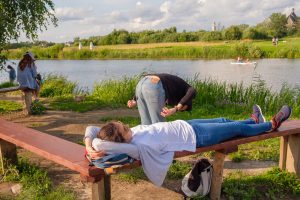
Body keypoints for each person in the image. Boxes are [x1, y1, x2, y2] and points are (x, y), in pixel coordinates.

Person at [84, 105, 292, 186]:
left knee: (223, 119)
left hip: (185, 125)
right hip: (195, 138)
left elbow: (92, 130)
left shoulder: (132, 135)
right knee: (237, 129)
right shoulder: (136, 147)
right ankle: (270, 125)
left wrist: (88, 145)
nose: (127, 125)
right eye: (123, 128)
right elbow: (106, 144)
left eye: (122, 124)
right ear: (120, 141)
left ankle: (253, 121)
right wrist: (98, 148)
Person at [127, 73, 196, 125]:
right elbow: (193, 90)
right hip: (154, 84)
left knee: (146, 124)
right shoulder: (186, 89)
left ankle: (147, 143)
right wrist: (176, 108)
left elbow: (147, 85)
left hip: (141, 83)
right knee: (159, 125)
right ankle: (161, 144)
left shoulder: (176, 88)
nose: (180, 109)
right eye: (182, 108)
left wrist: (135, 100)